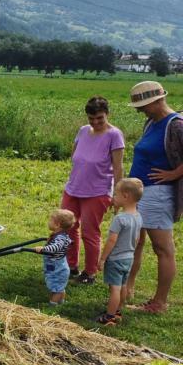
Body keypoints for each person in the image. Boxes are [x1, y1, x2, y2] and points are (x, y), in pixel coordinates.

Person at [122, 81, 183, 314]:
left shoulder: (175, 125)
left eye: (144, 106)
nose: (140, 110)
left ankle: (159, 303)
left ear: (158, 101)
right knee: (135, 241)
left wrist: (173, 173)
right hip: (141, 192)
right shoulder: (152, 122)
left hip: (158, 194)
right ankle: (129, 287)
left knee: (162, 248)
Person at [60, 96, 124, 285]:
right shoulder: (82, 131)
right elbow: (75, 155)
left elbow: (118, 167)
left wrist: (117, 194)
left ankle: (90, 272)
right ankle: (71, 265)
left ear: (107, 115)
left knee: (90, 232)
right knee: (67, 227)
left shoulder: (114, 135)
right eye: (91, 119)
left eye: (100, 119)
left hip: (97, 192)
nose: (95, 123)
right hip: (74, 188)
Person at [96, 178, 144, 326]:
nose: (113, 197)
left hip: (116, 258)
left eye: (115, 194)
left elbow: (111, 241)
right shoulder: (138, 216)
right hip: (129, 257)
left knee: (114, 289)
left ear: (126, 196)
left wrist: (103, 258)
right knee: (123, 286)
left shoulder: (120, 219)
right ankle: (117, 311)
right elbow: (137, 239)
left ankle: (109, 316)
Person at [27, 208, 75, 305]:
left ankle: (52, 305)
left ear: (57, 225)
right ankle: (61, 302)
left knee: (57, 288)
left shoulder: (60, 238)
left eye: (51, 220)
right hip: (57, 266)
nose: (48, 222)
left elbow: (55, 248)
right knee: (59, 286)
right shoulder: (60, 235)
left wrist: (43, 249)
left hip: (58, 269)